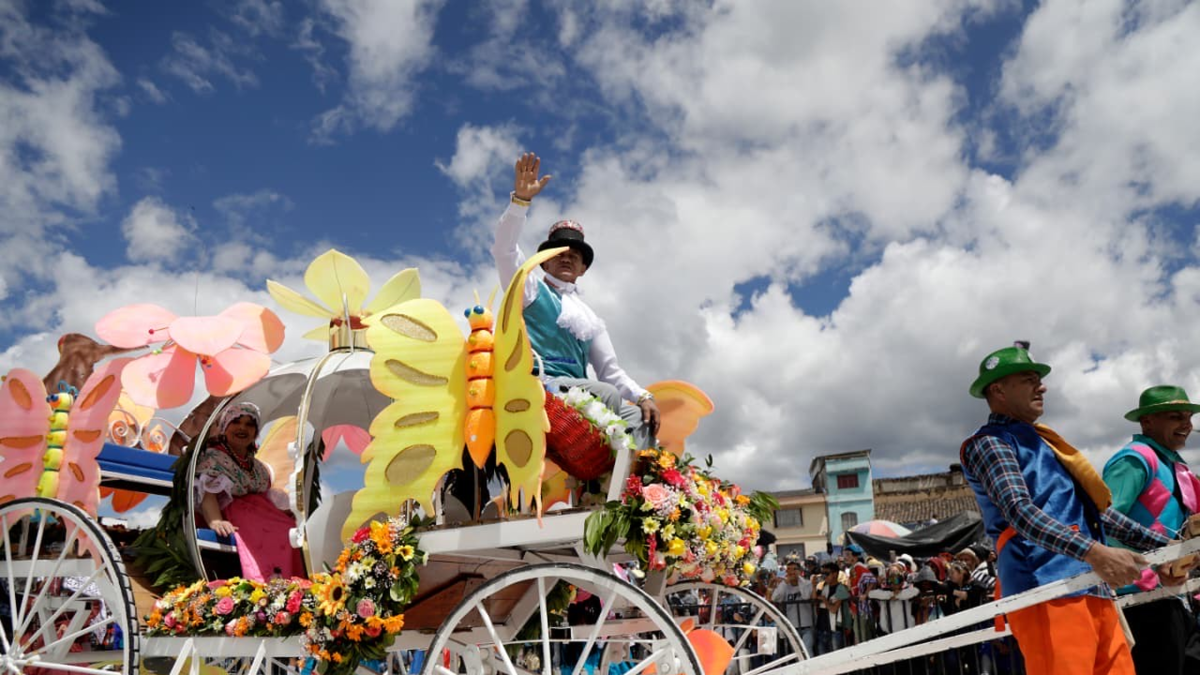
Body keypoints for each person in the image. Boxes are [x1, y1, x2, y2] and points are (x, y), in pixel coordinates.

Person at [960, 342, 1178, 675]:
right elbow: (1019, 512)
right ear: (998, 389)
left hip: (1089, 584)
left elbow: (1098, 513)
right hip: (1046, 586)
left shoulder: (1045, 442)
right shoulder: (990, 442)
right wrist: (1097, 553)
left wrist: (1167, 551)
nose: (1042, 385)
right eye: (1029, 378)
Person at [492, 153, 659, 450]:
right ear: (544, 262)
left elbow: (610, 369)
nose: (567, 256)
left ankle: (634, 489)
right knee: (606, 395)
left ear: (583, 269)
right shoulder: (529, 288)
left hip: (579, 397)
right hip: (539, 388)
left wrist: (644, 395)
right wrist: (520, 201)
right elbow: (504, 250)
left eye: (575, 254)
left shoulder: (589, 317)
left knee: (639, 417)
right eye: (559, 252)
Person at [1102, 385, 1200, 675]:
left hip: (1171, 596)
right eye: (1175, 416)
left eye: (1188, 417)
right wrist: (1159, 556)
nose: (1186, 424)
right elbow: (1104, 519)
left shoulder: (1173, 464)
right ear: (1147, 422)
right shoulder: (1135, 459)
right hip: (1139, 598)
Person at [195, 402, 304, 580]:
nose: (242, 428)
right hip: (235, 514)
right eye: (236, 422)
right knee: (278, 531)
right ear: (225, 426)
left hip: (260, 513)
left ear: (255, 431)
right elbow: (208, 493)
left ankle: (289, 588)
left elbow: (265, 496)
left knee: (291, 528)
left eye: (249, 424)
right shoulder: (213, 457)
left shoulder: (258, 467)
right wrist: (215, 521)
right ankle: (266, 584)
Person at [771, 560, 816, 655]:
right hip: (793, 626)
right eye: (789, 569)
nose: (792, 572)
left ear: (799, 571)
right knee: (797, 653)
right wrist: (784, 583)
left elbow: (805, 596)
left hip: (807, 625)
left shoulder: (807, 583)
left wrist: (798, 581)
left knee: (807, 651)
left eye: (795, 569)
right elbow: (775, 597)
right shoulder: (784, 586)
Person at [816, 562, 851, 654]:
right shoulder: (823, 587)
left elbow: (834, 609)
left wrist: (824, 600)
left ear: (835, 574)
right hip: (821, 627)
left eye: (826, 574)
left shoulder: (841, 588)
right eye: (822, 574)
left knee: (837, 657)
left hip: (835, 629)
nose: (824, 576)